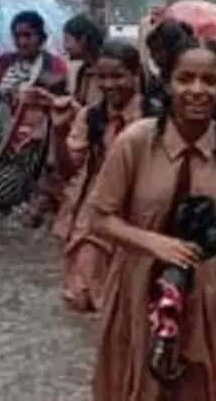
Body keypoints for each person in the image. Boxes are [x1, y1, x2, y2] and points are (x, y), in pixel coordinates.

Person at [86, 37, 216, 401]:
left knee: (196, 384)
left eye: (210, 81)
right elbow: (99, 218)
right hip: (137, 286)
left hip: (201, 288)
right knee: (136, 385)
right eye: (185, 79)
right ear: (167, 83)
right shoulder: (135, 142)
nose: (197, 90)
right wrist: (155, 243)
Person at [56, 40, 153, 312]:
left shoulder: (156, 117)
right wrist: (59, 132)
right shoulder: (90, 118)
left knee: (134, 302)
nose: (109, 85)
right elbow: (69, 170)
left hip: (141, 217)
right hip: (97, 215)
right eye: (103, 77)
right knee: (83, 299)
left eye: (118, 76)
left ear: (135, 75)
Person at [0, 11, 73, 225]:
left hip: (40, 138)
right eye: (17, 36)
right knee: (1, 196)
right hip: (9, 135)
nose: (22, 41)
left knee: (37, 196)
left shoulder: (53, 65)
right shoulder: (4, 62)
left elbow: (61, 100)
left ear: (41, 37)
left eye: (28, 35)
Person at [63, 13, 107, 107]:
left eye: (67, 40)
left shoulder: (105, 69)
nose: (65, 47)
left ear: (83, 39)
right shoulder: (84, 70)